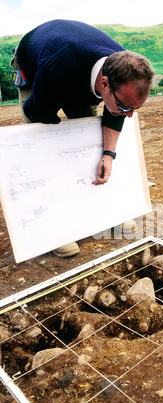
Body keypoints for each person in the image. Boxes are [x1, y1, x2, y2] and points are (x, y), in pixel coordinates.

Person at [11, 19, 154, 258]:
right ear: (105, 84)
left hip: (79, 73)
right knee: (43, 143)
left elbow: (114, 112)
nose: (129, 115)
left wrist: (108, 154)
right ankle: (56, 229)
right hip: (39, 66)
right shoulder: (57, 67)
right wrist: (64, 144)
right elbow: (39, 113)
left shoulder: (123, 67)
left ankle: (103, 215)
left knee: (91, 143)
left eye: (135, 108)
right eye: (125, 107)